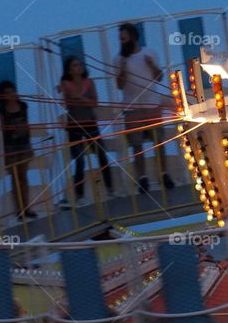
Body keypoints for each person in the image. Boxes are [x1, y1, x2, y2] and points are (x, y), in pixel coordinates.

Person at [113, 22, 174, 194]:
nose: (123, 41)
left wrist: (152, 65)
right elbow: (119, 85)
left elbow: (159, 77)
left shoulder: (149, 53)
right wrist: (123, 70)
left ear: (133, 36)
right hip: (132, 108)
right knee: (136, 144)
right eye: (121, 38)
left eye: (125, 37)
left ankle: (164, 174)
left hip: (152, 104)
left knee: (158, 141)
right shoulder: (118, 59)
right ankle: (142, 178)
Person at [58, 56, 115, 208]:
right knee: (80, 160)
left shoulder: (89, 82)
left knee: (101, 154)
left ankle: (110, 188)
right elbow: (66, 103)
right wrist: (80, 99)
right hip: (74, 125)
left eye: (80, 64)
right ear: (70, 70)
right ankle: (80, 195)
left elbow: (95, 103)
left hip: (90, 123)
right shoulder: (65, 84)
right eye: (75, 65)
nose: (79, 67)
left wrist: (79, 98)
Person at [0, 81, 37, 219]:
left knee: (23, 177)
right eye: (7, 92)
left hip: (24, 144)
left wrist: (30, 144)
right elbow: (2, 129)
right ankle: (18, 210)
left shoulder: (23, 105)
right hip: (11, 147)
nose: (11, 94)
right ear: (3, 96)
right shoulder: (2, 110)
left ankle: (27, 208)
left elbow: (27, 125)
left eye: (12, 91)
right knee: (15, 178)